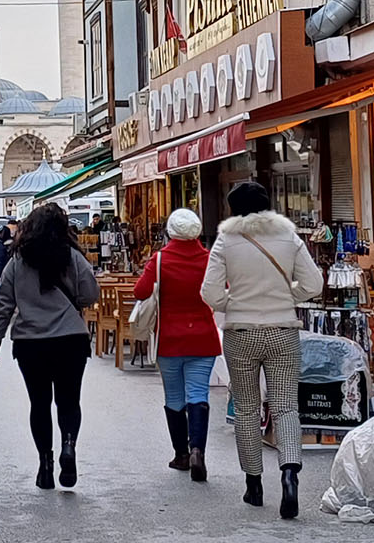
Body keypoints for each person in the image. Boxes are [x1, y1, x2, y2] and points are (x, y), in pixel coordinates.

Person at [200, 181, 327, 519]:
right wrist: (287, 298)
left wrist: (236, 303)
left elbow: (210, 293)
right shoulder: (289, 237)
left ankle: (253, 484)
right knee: (285, 407)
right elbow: (314, 284)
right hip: (283, 331)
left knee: (246, 408)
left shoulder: (226, 241)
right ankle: (289, 473)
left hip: (241, 333)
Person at [0, 203, 100, 492]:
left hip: (30, 342)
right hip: (70, 340)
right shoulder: (73, 257)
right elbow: (89, 294)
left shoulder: (17, 261)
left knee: (39, 404)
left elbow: (4, 304)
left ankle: (45, 465)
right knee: (69, 400)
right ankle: (69, 446)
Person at [132, 208, 221, 482]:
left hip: (170, 338)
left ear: (170, 231)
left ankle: (181, 454)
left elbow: (140, 292)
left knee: (174, 397)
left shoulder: (160, 260)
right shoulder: (210, 260)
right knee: (198, 393)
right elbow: (222, 289)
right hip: (203, 337)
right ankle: (198, 450)